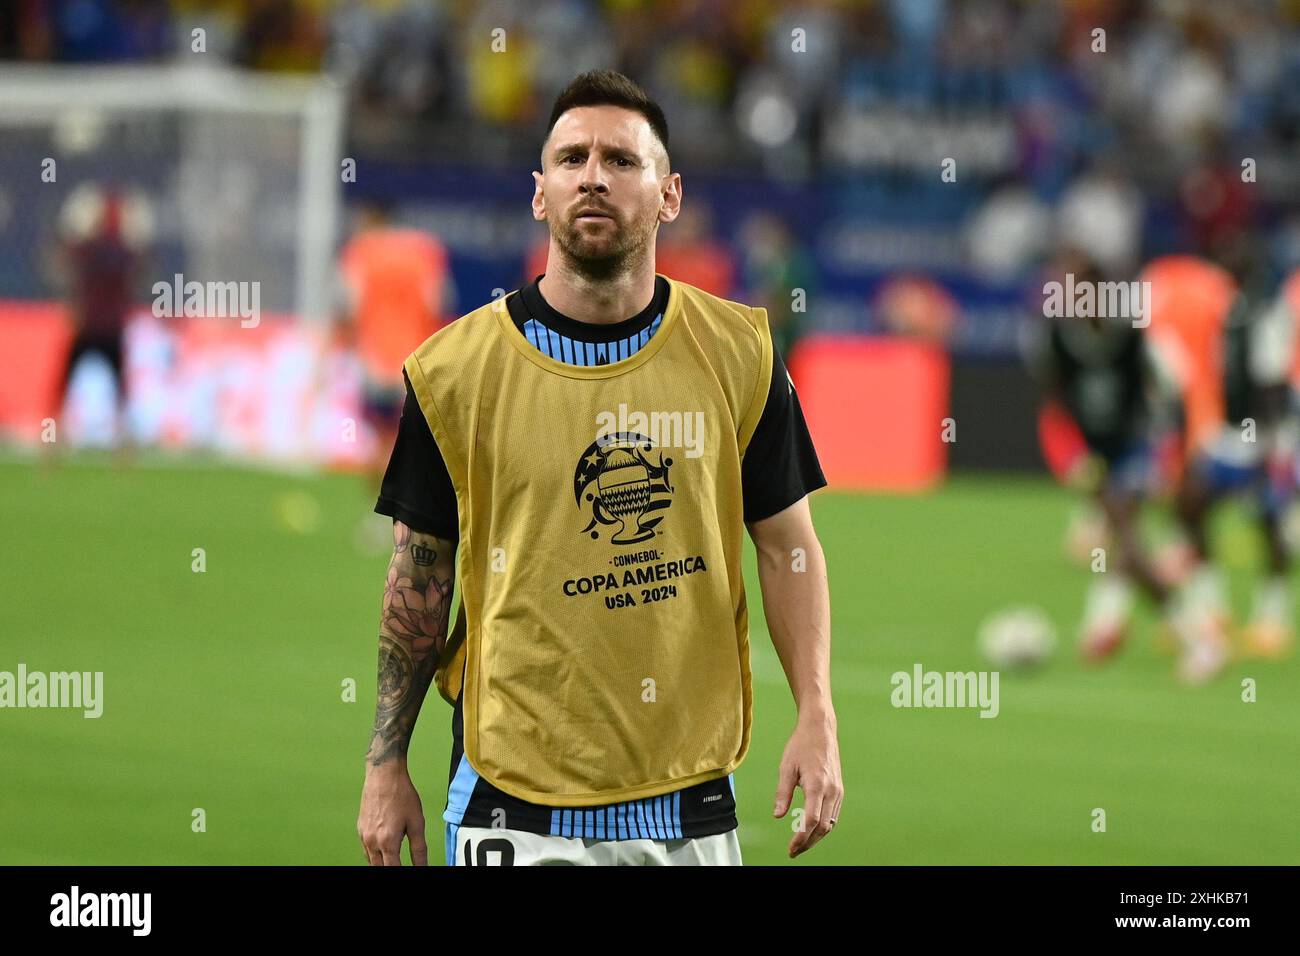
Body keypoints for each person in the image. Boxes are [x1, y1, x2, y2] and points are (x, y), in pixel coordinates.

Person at [357, 70, 841, 866]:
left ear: (669, 195)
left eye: (621, 160)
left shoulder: (739, 354)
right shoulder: (455, 373)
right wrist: (385, 765)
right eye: (572, 157)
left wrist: (817, 714)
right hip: (509, 796)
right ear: (541, 193)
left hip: (689, 795)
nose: (593, 175)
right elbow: (419, 575)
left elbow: (789, 545)